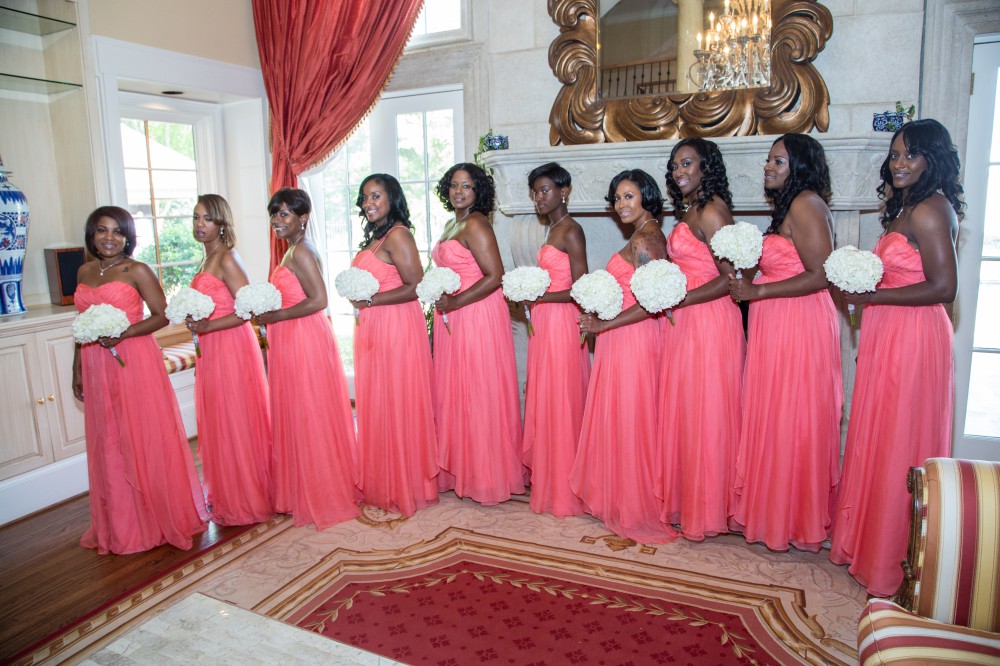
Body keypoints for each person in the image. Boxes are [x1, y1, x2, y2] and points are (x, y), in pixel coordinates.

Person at [830, 119, 963, 596]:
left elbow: (944, 288)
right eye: (895, 154)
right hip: (890, 331)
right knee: (881, 434)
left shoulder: (931, 209)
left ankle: (896, 558)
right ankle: (872, 544)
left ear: (933, 159)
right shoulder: (907, 206)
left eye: (911, 154)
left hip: (915, 336)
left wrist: (873, 298)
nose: (899, 163)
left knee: (901, 436)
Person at [728, 134, 842, 553]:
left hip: (799, 323)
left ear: (801, 166)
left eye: (778, 161)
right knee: (777, 414)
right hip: (777, 322)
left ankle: (792, 517)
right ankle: (776, 511)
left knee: (793, 415)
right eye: (769, 159)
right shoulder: (790, 206)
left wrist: (758, 291)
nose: (768, 166)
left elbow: (822, 275)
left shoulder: (805, 204)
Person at [71, 206, 207, 554]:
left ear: (128, 237)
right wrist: (77, 368)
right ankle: (121, 523)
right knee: (108, 439)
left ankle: (155, 516)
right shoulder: (84, 271)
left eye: (118, 231)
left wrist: (124, 333)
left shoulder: (138, 270)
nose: (110, 238)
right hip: (94, 362)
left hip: (132, 360)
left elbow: (162, 316)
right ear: (92, 235)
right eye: (102, 230)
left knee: (139, 436)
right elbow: (81, 325)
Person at [573, 169, 677, 544]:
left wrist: (604, 325)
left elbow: (653, 302)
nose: (621, 204)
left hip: (634, 341)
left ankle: (637, 506)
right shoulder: (641, 235)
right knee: (622, 416)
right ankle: (620, 497)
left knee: (634, 419)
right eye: (617, 198)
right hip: (622, 338)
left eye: (629, 196)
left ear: (647, 196)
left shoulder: (647, 240)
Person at [256, 188, 360, 529]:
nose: (277, 220)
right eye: (274, 213)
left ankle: (321, 490)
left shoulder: (300, 251)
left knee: (309, 411)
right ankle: (305, 485)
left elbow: (319, 300)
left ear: (303, 218)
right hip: (293, 336)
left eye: (285, 213)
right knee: (301, 411)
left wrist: (275, 316)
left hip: (303, 337)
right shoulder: (293, 249)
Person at [657, 139, 745, 541]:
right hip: (688, 321)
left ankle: (708, 506)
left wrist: (682, 298)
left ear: (706, 166)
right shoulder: (692, 209)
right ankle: (688, 499)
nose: (679, 172)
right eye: (675, 165)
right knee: (688, 410)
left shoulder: (712, 211)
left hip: (709, 322)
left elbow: (731, 279)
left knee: (706, 411)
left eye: (687, 163)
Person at [431, 162, 526, 504]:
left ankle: (486, 474)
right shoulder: (451, 223)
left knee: (477, 388)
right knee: (456, 390)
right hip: (452, 317)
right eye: (454, 185)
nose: (459, 191)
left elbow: (495, 276)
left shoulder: (476, 223)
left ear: (478, 191)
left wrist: (456, 302)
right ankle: (462, 467)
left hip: (475, 315)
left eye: (467, 186)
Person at [350, 174, 439, 516]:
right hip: (372, 329)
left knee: (397, 401)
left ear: (392, 199)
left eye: (376, 196)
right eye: (365, 197)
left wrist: (371, 300)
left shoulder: (398, 234)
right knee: (378, 403)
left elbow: (416, 286)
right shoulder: (376, 238)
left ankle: (405, 483)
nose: (368, 203)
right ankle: (383, 479)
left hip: (396, 329)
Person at [187, 194, 273, 526]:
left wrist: (208, 326)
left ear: (222, 223)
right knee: (220, 420)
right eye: (196, 217)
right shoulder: (206, 258)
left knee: (235, 418)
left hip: (232, 347)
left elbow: (247, 310)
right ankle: (228, 491)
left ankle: (247, 497)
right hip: (211, 350)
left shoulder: (226, 258)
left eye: (207, 218)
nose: (199, 224)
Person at [521, 162, 590, 517]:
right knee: (548, 398)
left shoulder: (571, 230)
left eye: (545, 190)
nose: (539, 197)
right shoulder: (552, 230)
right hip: (545, 324)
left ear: (564, 191)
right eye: (535, 192)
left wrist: (541, 296)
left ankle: (566, 487)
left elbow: (581, 288)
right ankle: (551, 478)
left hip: (563, 324)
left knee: (562, 398)